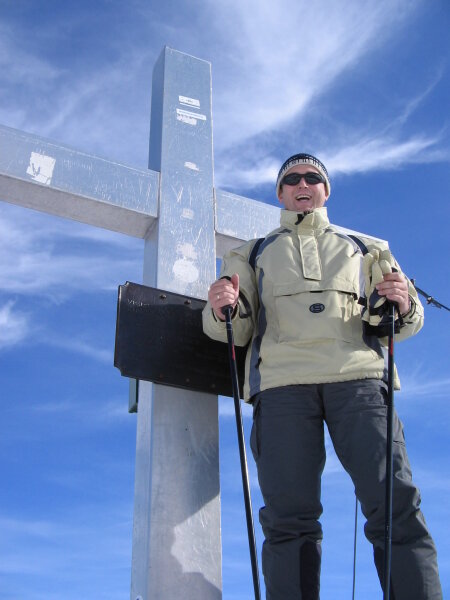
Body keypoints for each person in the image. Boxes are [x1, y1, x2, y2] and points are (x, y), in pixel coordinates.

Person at [202, 153, 442, 599]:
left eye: (313, 177)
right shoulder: (249, 253)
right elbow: (233, 326)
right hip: (282, 387)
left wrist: (404, 303)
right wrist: (220, 309)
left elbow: (402, 319)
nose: (302, 184)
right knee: (287, 519)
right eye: (292, 178)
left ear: (326, 190)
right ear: (280, 193)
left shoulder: (367, 248)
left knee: (394, 505)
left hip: (360, 380)